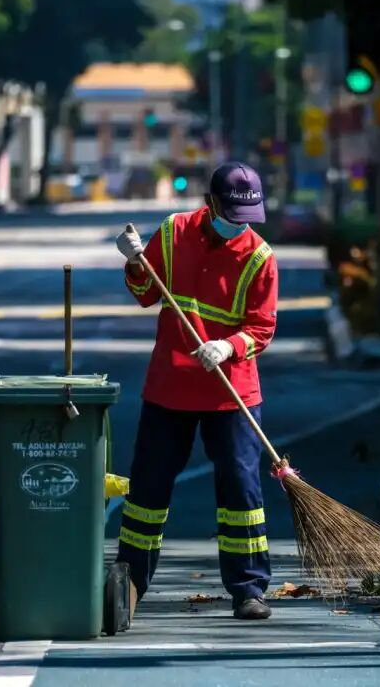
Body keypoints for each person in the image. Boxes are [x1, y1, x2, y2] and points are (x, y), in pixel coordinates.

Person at [115, 162, 278, 621]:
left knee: (241, 492)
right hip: (171, 385)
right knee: (147, 488)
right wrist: (134, 260)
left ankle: (248, 589)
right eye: (232, 216)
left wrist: (228, 346)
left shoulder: (260, 257)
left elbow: (262, 326)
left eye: (248, 218)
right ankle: (127, 583)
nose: (239, 228)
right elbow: (146, 292)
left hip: (232, 392)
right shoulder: (173, 232)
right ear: (211, 205)